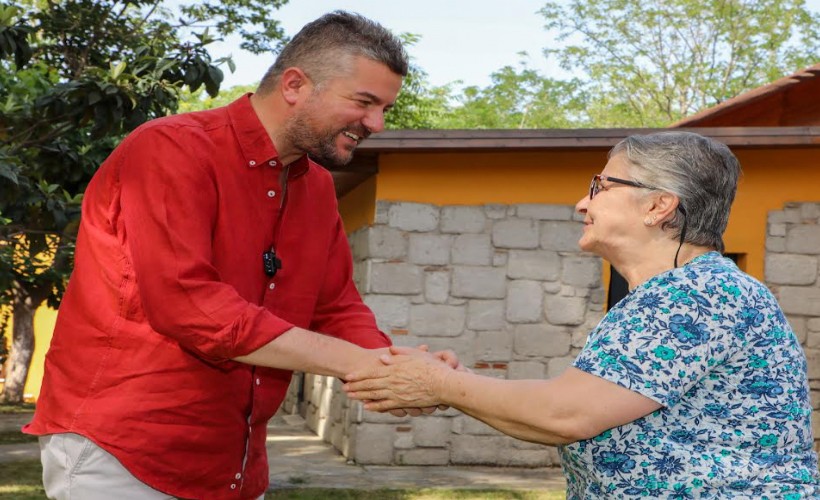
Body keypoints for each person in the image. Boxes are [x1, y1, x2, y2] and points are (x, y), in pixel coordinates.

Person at [24, 11, 452, 500]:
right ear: (295, 85)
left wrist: (400, 370)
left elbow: (335, 305)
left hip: (237, 462)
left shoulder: (315, 189)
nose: (375, 123)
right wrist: (363, 364)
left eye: (384, 110)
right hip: (123, 453)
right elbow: (188, 304)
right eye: (364, 102)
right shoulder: (170, 150)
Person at [344, 131, 820, 498]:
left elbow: (567, 414)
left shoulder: (696, 295)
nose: (582, 202)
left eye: (602, 185)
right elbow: (563, 413)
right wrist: (464, 387)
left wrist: (442, 385)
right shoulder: (680, 291)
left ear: (658, 206)